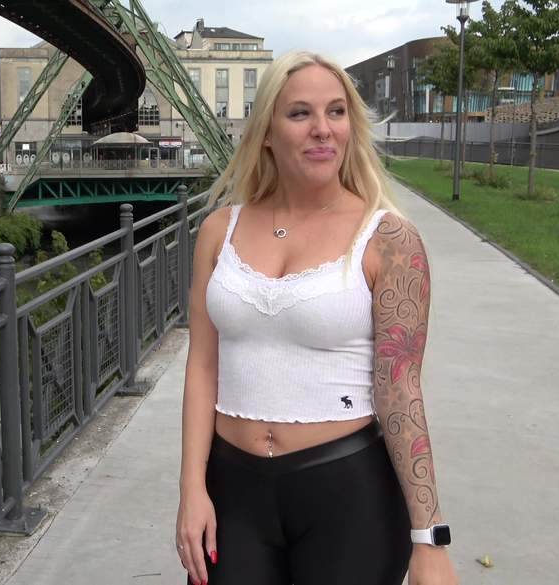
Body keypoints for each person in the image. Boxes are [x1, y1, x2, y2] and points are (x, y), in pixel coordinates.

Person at [175, 50, 458, 585]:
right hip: (233, 492)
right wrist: (192, 489)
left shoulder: (388, 239)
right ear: (267, 132)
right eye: (300, 113)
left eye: (336, 112)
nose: (322, 129)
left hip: (349, 495)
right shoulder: (219, 231)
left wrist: (429, 539)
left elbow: (400, 388)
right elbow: (203, 365)